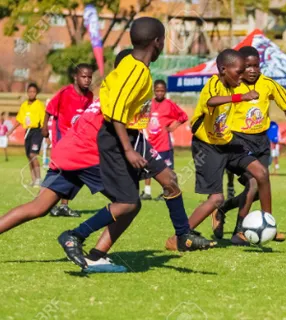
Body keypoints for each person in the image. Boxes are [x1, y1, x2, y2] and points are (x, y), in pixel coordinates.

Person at [56, 18, 214, 271]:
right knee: (128, 203)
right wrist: (128, 150)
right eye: (164, 39)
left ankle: (183, 234)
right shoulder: (135, 71)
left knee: (169, 180)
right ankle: (75, 235)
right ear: (158, 41)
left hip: (133, 136)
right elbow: (116, 113)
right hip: (117, 138)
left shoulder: (135, 64)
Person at [165, 49, 273, 249]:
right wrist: (241, 98)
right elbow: (211, 102)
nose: (241, 77)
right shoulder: (214, 85)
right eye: (238, 72)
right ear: (224, 69)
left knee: (261, 174)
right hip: (207, 147)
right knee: (216, 198)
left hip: (228, 143)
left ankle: (267, 225)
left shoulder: (234, 85)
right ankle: (177, 238)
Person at [211, 46, 286, 245]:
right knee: (254, 182)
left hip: (261, 141)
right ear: (240, 66)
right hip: (237, 142)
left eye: (256, 66)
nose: (252, 70)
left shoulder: (268, 84)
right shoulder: (232, 84)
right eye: (248, 66)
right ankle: (240, 232)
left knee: (259, 189)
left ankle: (227, 210)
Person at [42, 64, 94, 217]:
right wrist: (44, 127)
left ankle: (62, 205)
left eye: (89, 77)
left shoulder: (89, 96)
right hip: (62, 140)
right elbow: (49, 109)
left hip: (77, 143)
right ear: (75, 77)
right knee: (59, 171)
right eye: (84, 77)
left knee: (74, 173)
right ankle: (46, 202)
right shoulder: (65, 93)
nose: (87, 80)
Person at [140, 79, 188, 201]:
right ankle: (147, 192)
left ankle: (166, 192)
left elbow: (183, 117)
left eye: (162, 91)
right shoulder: (148, 104)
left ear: (165, 91)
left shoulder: (169, 104)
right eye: (157, 91)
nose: (159, 93)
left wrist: (174, 126)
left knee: (167, 169)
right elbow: (141, 117)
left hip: (164, 143)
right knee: (147, 168)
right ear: (154, 91)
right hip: (150, 142)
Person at [7, 83, 46, 186]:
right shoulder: (24, 105)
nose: (31, 93)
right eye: (30, 91)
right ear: (27, 92)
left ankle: (38, 179)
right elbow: (19, 119)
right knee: (29, 156)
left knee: (33, 154)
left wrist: (45, 135)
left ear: (36, 93)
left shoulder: (39, 105)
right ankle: (33, 180)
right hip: (28, 132)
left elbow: (43, 120)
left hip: (37, 131)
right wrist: (11, 130)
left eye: (33, 91)